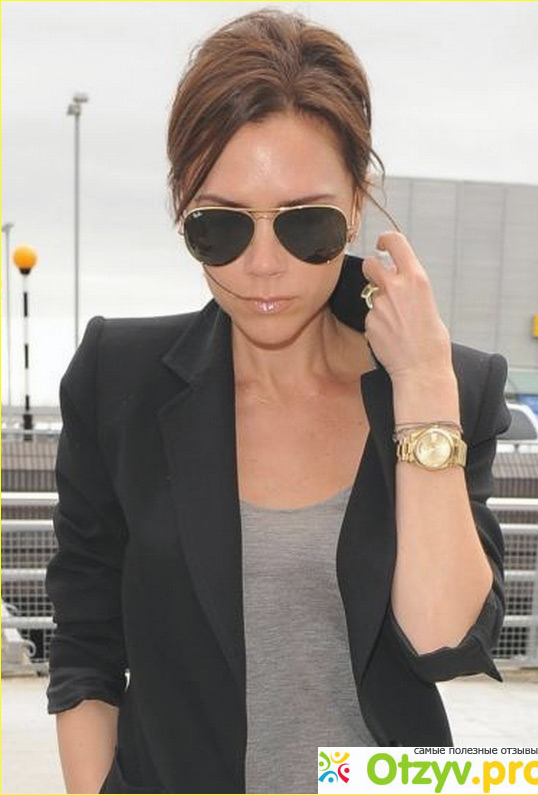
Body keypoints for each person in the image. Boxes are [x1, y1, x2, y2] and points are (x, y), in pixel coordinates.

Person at [46, 9, 509, 795]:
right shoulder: (118, 380)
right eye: (220, 227)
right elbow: (86, 645)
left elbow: (443, 641)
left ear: (358, 202)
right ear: (181, 209)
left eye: (306, 224)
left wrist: (424, 388)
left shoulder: (449, 386)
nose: (263, 264)